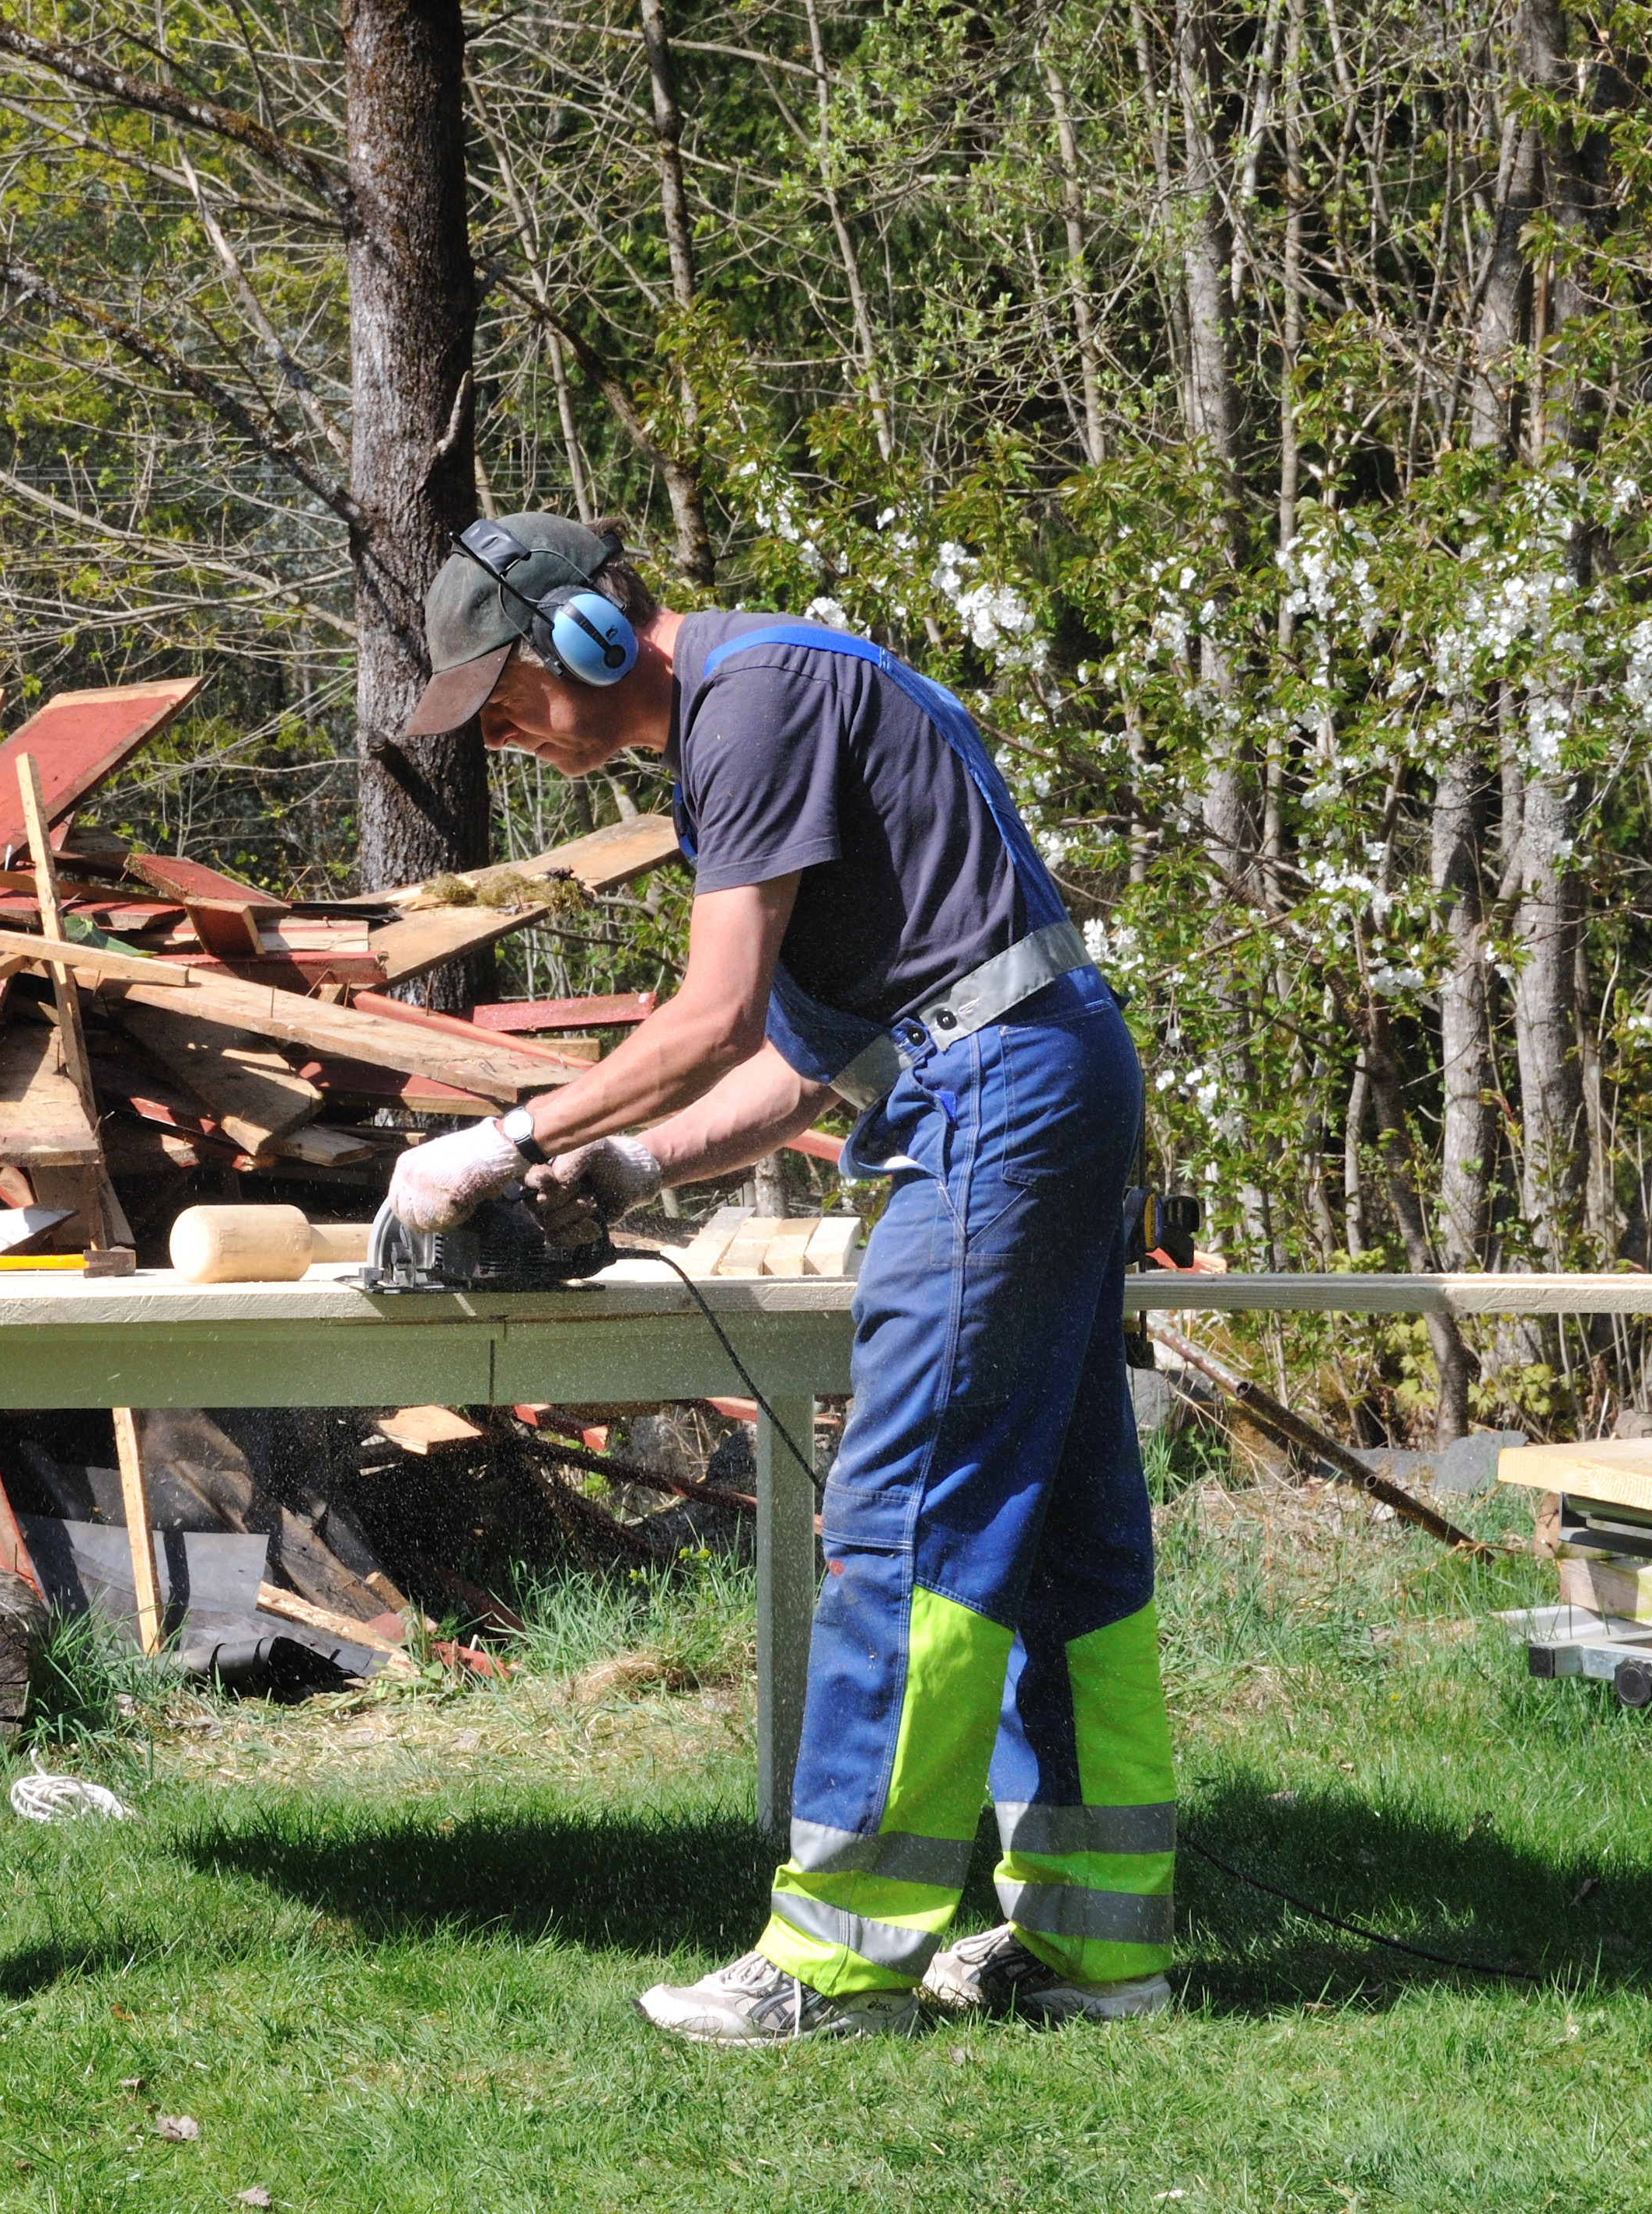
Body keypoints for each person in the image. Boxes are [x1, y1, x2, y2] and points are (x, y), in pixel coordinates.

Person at [382, 513, 1175, 2045]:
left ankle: (833, 1963)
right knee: (1065, 1525)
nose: (506, 733)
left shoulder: (744, 705)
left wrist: (494, 1138)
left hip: (994, 1102)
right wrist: (619, 1172)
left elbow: (706, 1012)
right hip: (1029, 1071)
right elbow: (808, 1059)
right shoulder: (774, 699)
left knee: (904, 1517)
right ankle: (1095, 1950)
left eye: (506, 696)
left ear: (589, 639)